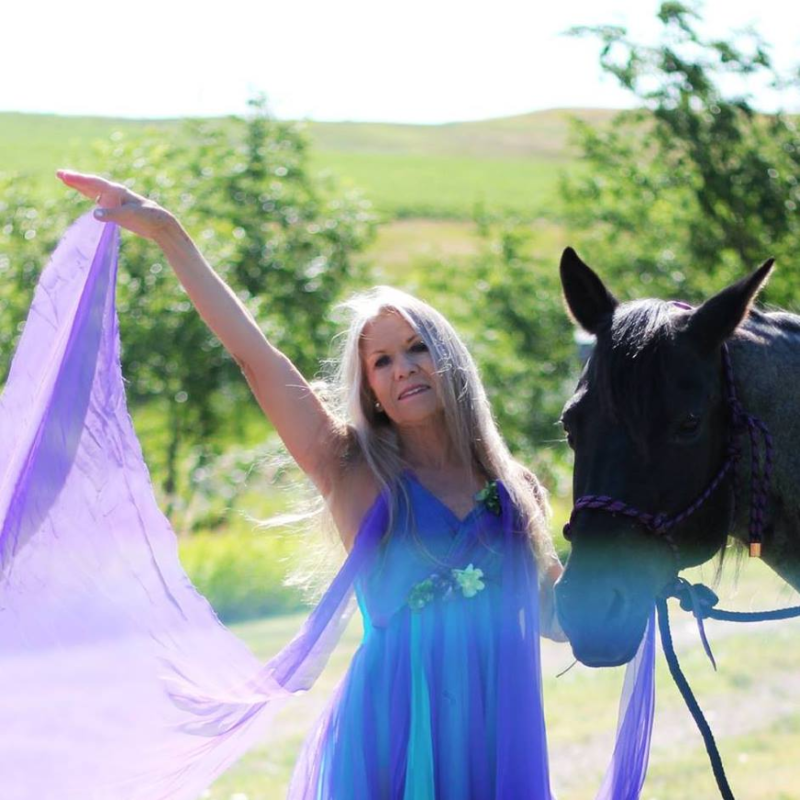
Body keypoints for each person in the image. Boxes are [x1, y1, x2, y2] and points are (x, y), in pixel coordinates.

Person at [54, 169, 566, 797]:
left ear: (448, 357)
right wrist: (170, 236)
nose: (403, 368)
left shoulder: (515, 490)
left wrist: (644, 563)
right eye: (382, 361)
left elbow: (559, 619)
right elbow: (256, 356)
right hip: (391, 740)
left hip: (498, 744)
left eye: (417, 347)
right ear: (370, 388)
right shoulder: (351, 468)